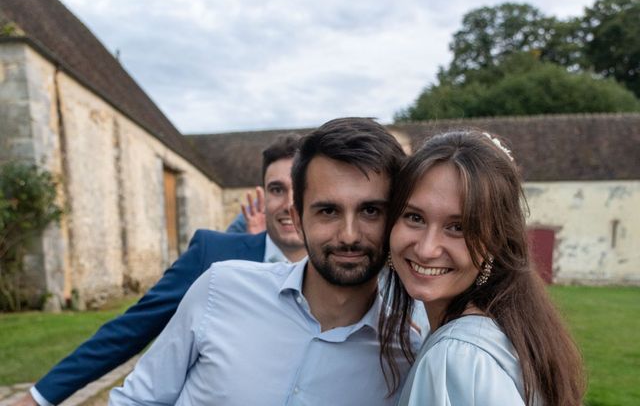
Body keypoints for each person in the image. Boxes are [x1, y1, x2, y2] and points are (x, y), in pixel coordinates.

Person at [109, 117, 419, 405]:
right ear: (297, 220)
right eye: (328, 211)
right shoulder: (221, 289)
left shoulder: (405, 358)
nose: (349, 235)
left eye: (370, 211)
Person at [18, 134, 304, 406]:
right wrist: (39, 397)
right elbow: (132, 327)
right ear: (263, 195)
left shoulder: (343, 274)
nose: (288, 204)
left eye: (299, 189)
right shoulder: (213, 254)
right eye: (276, 189)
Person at [379, 130, 586, 405]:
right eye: (414, 217)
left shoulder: (459, 357)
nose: (427, 249)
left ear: (495, 241)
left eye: (458, 227)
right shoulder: (508, 330)